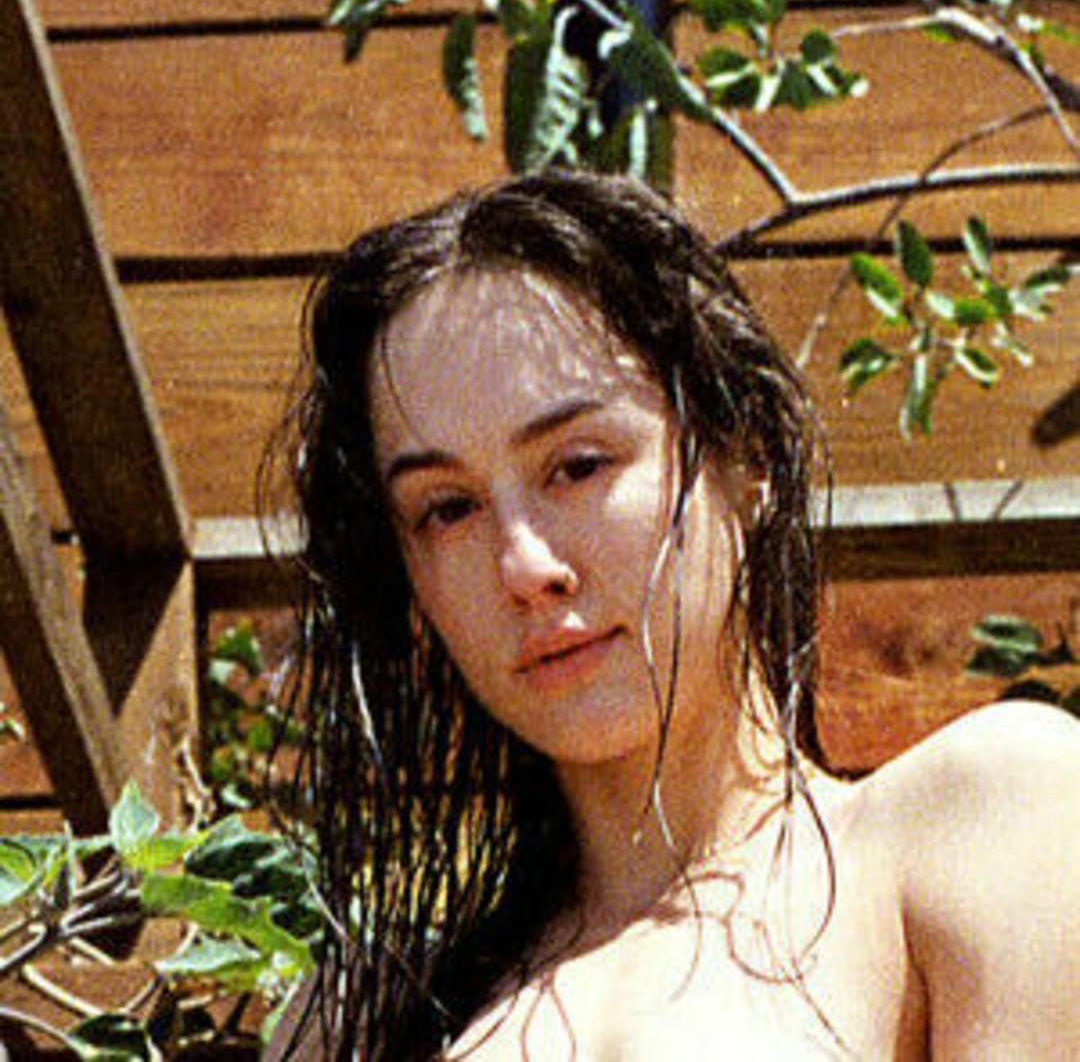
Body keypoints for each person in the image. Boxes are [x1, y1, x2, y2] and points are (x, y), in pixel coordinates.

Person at [266, 171, 1079, 1060]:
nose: (524, 567)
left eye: (578, 466)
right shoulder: (355, 1019)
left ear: (746, 454)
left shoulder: (980, 824)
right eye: (447, 509)